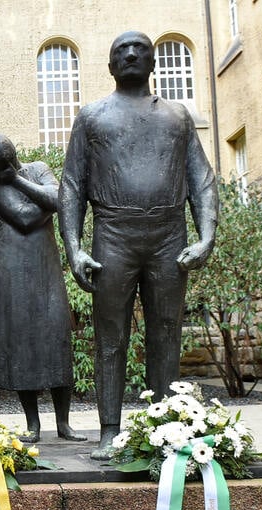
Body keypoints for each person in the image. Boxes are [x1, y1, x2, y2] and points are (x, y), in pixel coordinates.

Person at [58, 31, 218, 459]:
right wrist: (74, 247)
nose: (130, 55)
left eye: (140, 50)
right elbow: (72, 185)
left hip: (169, 235)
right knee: (110, 336)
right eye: (120, 52)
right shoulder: (91, 117)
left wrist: (206, 236)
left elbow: (201, 179)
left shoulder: (178, 117)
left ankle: (165, 428)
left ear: (153, 63)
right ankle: (109, 429)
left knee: (165, 333)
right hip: (113, 233)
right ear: (110, 66)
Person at [0, 133, 85, 443]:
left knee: (56, 338)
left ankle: (64, 423)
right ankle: (33, 424)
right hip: (12, 269)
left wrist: (22, 183)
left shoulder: (37, 169)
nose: (0, 170)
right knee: (22, 343)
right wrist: (52, 204)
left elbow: (58, 198)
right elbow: (26, 218)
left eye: (3, 164)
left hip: (46, 266)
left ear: (11, 157)